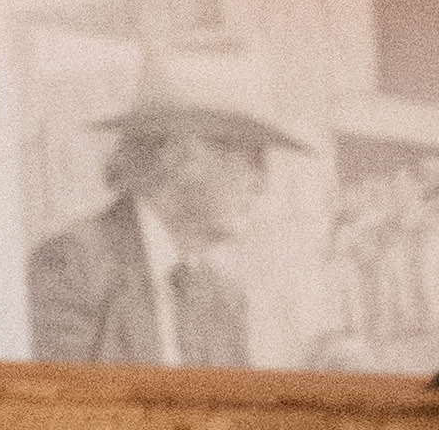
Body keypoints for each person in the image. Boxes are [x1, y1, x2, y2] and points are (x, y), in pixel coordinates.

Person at [27, 95, 307, 366]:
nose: (261, 184)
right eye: (252, 159)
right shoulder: (72, 265)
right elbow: (56, 405)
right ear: (182, 155)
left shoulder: (226, 301)